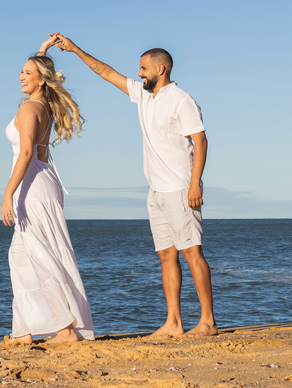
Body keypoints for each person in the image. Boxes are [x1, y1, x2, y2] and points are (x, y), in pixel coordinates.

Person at [49, 33, 216, 337]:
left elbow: (201, 141)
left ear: (160, 69)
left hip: (180, 188)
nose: (139, 73)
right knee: (166, 256)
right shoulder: (143, 95)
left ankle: (207, 322)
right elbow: (105, 71)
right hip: (156, 191)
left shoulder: (182, 100)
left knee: (192, 252)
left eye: (143, 68)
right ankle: (174, 323)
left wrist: (195, 185)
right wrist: (74, 49)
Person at [1, 40, 94, 345]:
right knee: (21, 256)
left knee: (39, 256)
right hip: (42, 182)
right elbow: (42, 73)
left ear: (40, 79)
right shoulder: (44, 103)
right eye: (21, 71)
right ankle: (23, 330)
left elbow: (26, 152)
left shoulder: (30, 108)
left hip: (32, 186)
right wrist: (42, 51)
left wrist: (7, 193)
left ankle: (65, 330)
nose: (21, 76)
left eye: (27, 73)